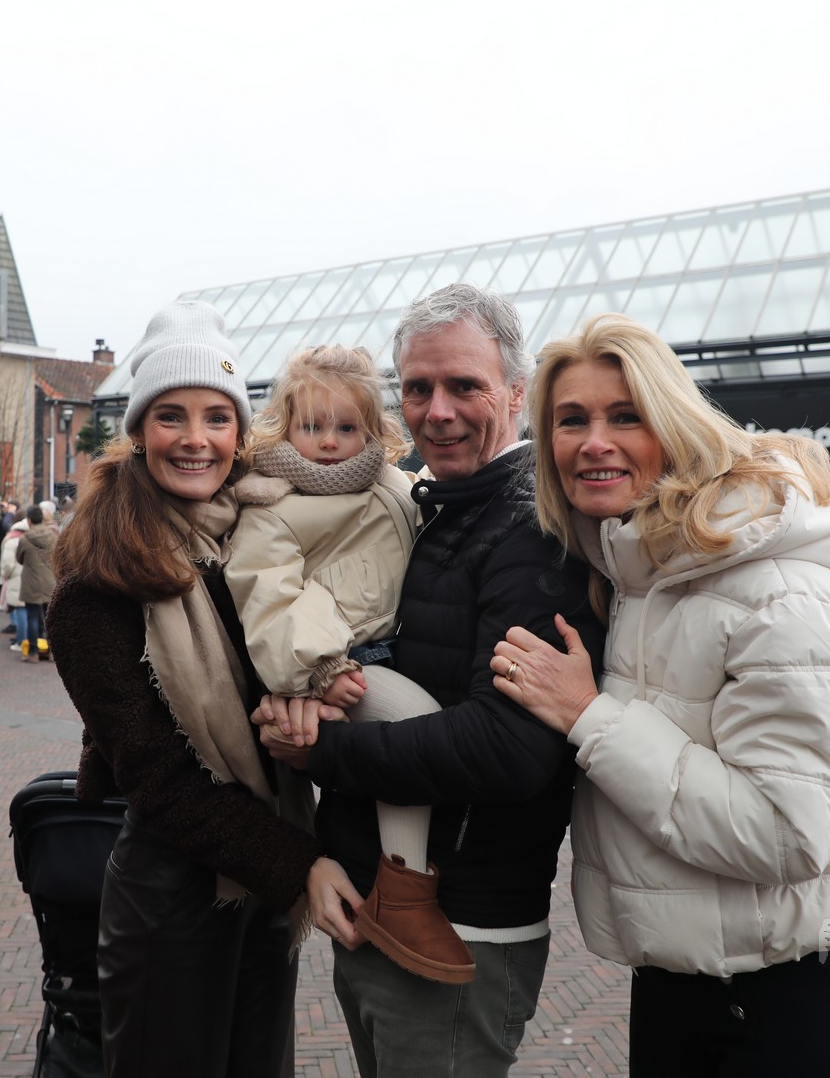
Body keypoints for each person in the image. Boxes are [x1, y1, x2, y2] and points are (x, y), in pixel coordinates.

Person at [489, 314, 830, 1077]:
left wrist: (590, 716)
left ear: (675, 425)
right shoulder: (635, 571)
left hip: (792, 1002)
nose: (594, 441)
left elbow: (784, 833)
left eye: (626, 416)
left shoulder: (781, 593)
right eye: (571, 420)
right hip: (681, 983)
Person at [255, 284, 603, 1076]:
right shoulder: (434, 508)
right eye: (418, 388)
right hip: (377, 911)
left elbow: (510, 748)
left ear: (515, 392)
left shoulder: (532, 530)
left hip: (457, 927)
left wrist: (320, 754)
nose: (437, 411)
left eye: (464, 386)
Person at [46, 301, 330, 1076]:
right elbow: (159, 779)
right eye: (171, 416)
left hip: (264, 882)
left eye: (217, 417)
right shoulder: (95, 587)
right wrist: (300, 865)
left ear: (240, 433)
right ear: (140, 430)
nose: (196, 438)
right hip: (171, 895)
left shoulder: (261, 547)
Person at [225, 344, 471, 982]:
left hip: (391, 645)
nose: (330, 442)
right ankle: (404, 890)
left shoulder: (391, 482)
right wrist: (319, 669)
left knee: (417, 746)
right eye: (312, 426)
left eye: (346, 427)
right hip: (342, 660)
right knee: (416, 727)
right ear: (286, 425)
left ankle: (405, 880)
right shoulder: (272, 505)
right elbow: (269, 599)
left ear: (371, 430)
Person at [14, 504, 57, 661]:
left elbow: (19, 559)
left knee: (32, 617)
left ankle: (33, 653)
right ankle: (52, 652)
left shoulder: (24, 539)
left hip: (31, 582)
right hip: (49, 582)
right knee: (50, 618)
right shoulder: (53, 537)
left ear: (29, 520)